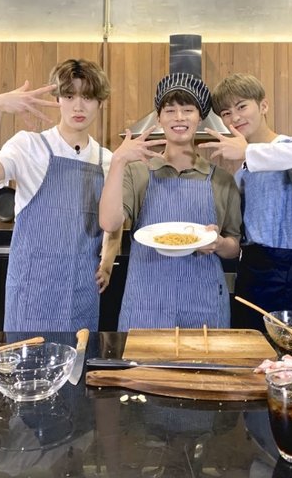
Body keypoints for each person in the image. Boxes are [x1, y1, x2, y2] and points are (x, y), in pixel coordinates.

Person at [0, 58, 121, 332]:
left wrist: (107, 261)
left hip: (80, 294)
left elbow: (114, 223)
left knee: (78, 359)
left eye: (87, 97)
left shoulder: (106, 160)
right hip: (31, 293)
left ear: (100, 102)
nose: (78, 106)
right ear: (58, 99)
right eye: (69, 96)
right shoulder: (29, 146)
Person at [99, 72, 241, 330]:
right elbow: (109, 222)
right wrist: (118, 161)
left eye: (188, 110)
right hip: (146, 303)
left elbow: (234, 245)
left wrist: (219, 243)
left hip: (204, 303)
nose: (179, 117)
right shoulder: (137, 171)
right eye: (170, 110)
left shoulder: (222, 180)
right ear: (159, 118)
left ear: (199, 118)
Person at [200, 73, 292, 330]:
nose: (235, 118)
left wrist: (248, 151)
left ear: (263, 106)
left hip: (291, 277)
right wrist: (218, 239)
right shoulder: (241, 175)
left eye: (242, 106)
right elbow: (238, 233)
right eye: (226, 113)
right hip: (250, 275)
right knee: (250, 351)